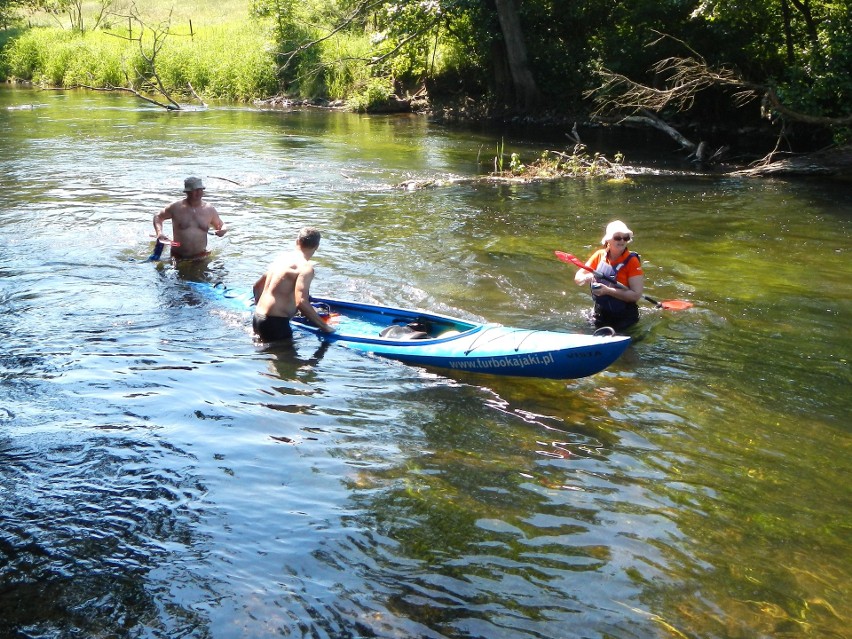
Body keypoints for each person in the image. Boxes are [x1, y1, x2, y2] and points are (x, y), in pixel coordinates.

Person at [252, 227, 335, 342]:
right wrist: (325, 327)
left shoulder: (281, 258)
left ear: (297, 241)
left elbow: (257, 286)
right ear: (317, 247)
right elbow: (301, 302)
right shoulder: (305, 268)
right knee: (286, 359)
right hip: (275, 322)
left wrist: (259, 305)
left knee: (268, 355)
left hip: (258, 317)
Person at [574, 220, 644, 331]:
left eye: (625, 238)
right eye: (617, 237)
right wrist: (585, 277)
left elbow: (635, 295)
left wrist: (607, 291)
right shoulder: (599, 256)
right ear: (608, 240)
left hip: (624, 317)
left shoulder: (632, 261)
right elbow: (578, 278)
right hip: (600, 313)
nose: (622, 241)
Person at [152, 177, 228, 260]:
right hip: (178, 257)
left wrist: (223, 231)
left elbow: (221, 225)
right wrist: (159, 233)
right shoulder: (176, 207)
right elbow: (158, 217)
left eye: (200, 189)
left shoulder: (209, 209)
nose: (198, 192)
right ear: (187, 192)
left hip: (201, 256)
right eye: (195, 190)